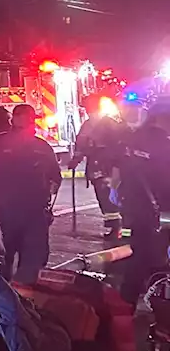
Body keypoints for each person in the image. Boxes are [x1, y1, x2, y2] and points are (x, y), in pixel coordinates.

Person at [0, 103, 62, 283]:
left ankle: (11, 302)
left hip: (22, 213)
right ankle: (19, 301)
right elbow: (55, 179)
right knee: (14, 261)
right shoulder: (39, 146)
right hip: (17, 213)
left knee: (12, 261)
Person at [112, 100, 170, 305]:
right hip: (160, 210)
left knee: (139, 257)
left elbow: (119, 169)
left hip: (136, 208)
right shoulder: (163, 142)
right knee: (154, 258)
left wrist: (116, 191)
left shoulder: (133, 138)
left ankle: (126, 306)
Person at [71, 95, 128, 241]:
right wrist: (76, 159)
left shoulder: (109, 124)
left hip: (108, 167)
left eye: (91, 107)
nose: (89, 110)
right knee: (103, 198)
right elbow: (81, 144)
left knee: (111, 197)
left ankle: (120, 228)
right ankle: (115, 227)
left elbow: (119, 145)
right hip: (96, 167)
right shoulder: (88, 125)